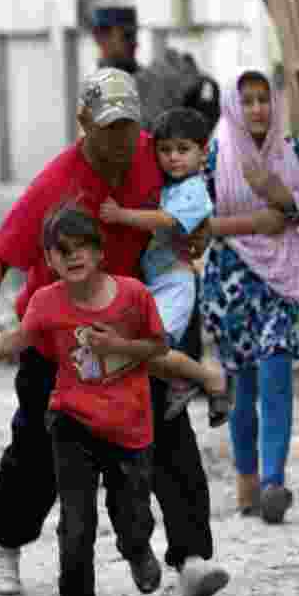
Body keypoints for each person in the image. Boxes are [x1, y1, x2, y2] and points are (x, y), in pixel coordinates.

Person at [0, 67, 229, 596]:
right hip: (57, 338)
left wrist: (199, 228)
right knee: (36, 450)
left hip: (130, 331)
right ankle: (6, 548)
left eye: (129, 126)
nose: (122, 140)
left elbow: (193, 194)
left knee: (169, 437)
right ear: (84, 122)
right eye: (109, 128)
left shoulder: (156, 154)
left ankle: (192, 558)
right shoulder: (56, 183)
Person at [0, 205, 167, 596]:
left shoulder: (133, 295)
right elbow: (17, 340)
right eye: (62, 250)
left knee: (133, 515)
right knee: (76, 518)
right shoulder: (45, 302)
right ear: (49, 260)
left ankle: (136, 548)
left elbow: (159, 347)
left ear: (100, 252)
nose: (73, 256)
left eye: (82, 247)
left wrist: (120, 346)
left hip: (128, 425)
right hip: (71, 420)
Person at [199, 68, 299, 523]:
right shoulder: (216, 153)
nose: (257, 109)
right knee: (243, 385)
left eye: (263, 99)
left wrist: (275, 192)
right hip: (230, 281)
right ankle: (247, 477)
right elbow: (195, 225)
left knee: (276, 367)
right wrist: (256, 222)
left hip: (279, 277)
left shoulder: (290, 149)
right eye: (246, 101)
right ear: (234, 106)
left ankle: (273, 482)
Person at [99, 106, 232, 425]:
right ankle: (180, 381)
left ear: (203, 153)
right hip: (154, 281)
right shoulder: (168, 185)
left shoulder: (194, 190)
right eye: (165, 150)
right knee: (138, 350)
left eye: (183, 150)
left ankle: (210, 379)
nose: (173, 157)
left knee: (147, 348)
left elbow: (167, 221)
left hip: (175, 283)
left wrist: (122, 216)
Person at [89, 6, 220, 132]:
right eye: (127, 36)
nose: (135, 43)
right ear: (100, 37)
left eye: (135, 36)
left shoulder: (152, 77)